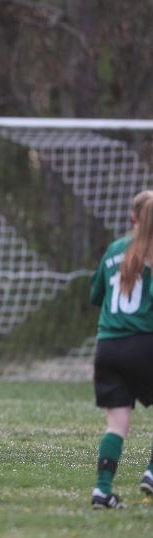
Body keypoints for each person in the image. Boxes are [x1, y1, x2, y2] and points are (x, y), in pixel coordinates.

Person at [88, 190, 153, 509]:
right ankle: (151, 473)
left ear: (133, 217)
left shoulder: (115, 250)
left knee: (116, 426)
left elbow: (95, 296)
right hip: (143, 344)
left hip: (107, 347)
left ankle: (102, 491)